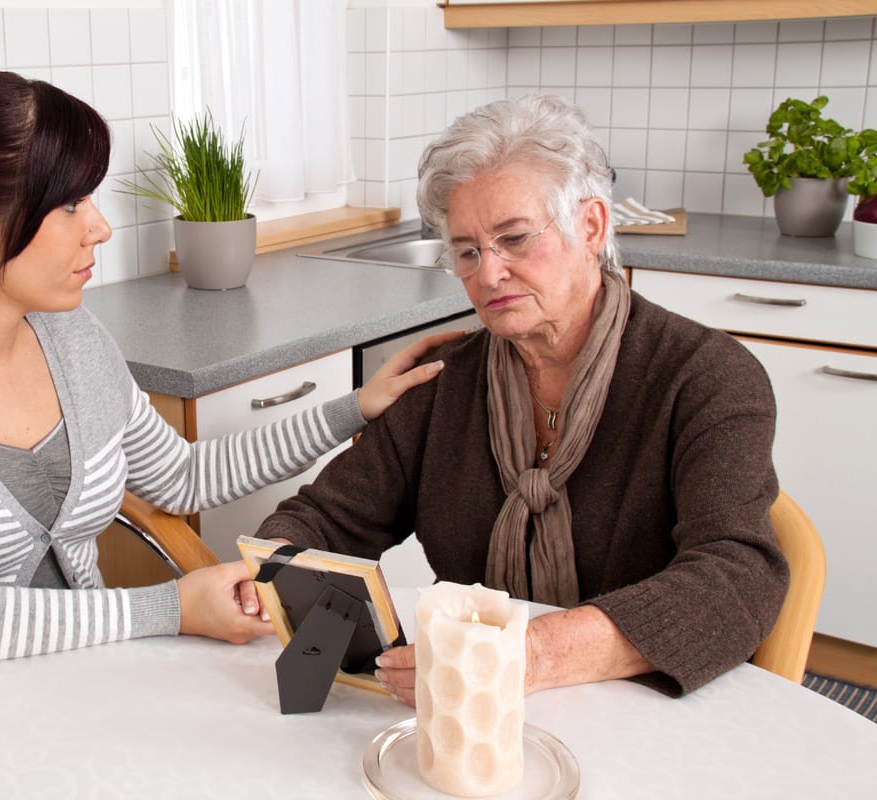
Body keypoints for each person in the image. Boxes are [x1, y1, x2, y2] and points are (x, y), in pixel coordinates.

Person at [0, 70, 456, 674]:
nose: (101, 228)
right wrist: (168, 609)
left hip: (70, 683)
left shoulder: (71, 335)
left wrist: (353, 408)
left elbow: (183, 475)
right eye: (71, 206)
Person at [255, 94, 790, 701]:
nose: (488, 274)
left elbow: (736, 576)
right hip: (471, 709)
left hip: (648, 704)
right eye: (467, 251)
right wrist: (272, 566)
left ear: (590, 225)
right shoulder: (444, 381)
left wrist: (526, 654)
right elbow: (328, 519)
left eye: (513, 239)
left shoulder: (706, 377)